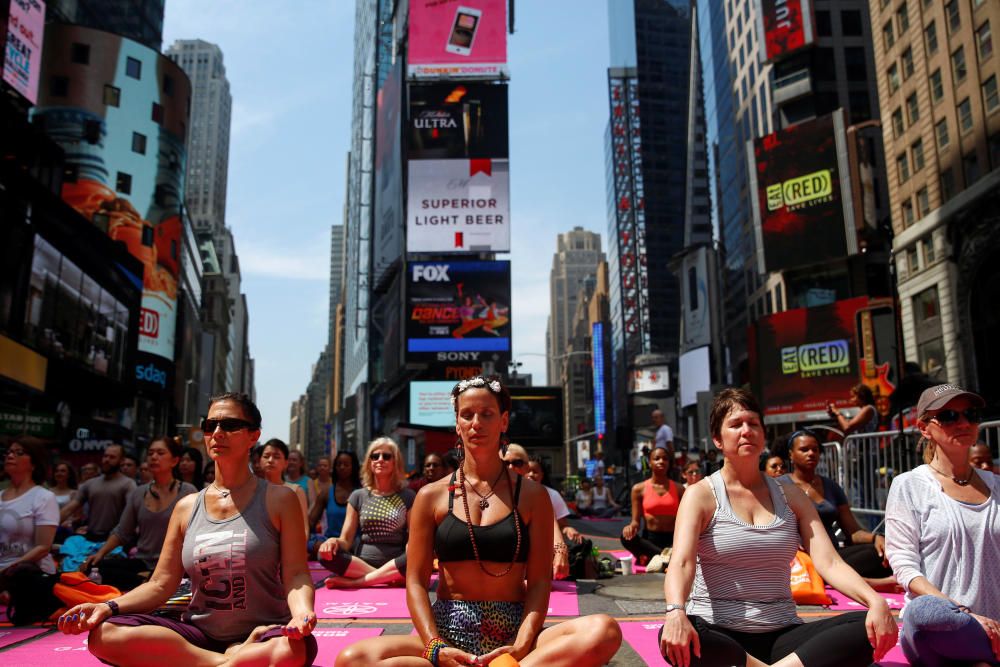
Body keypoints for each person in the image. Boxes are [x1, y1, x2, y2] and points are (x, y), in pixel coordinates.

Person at [335, 375, 622, 666]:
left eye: (487, 414)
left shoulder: (533, 495)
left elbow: (538, 583)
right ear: (457, 424)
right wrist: (436, 648)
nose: (476, 423)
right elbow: (416, 584)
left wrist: (521, 644)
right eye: (467, 415)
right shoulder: (429, 496)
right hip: (448, 631)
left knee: (604, 630)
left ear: (504, 421)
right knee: (351, 659)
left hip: (513, 633)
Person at [57, 391, 317, 666]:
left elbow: (297, 574)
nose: (217, 432)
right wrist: (107, 606)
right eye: (210, 425)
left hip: (265, 632)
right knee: (104, 635)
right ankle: (226, 662)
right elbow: (160, 584)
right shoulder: (186, 507)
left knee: (294, 650)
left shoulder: (280, 499)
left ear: (253, 436)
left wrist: (302, 613)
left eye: (229, 425)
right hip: (198, 636)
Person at [660, 388, 897, 667]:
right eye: (735, 425)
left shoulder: (791, 494)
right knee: (677, 634)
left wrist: (875, 601)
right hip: (721, 634)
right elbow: (682, 562)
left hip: (784, 635)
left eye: (753, 424)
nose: (746, 431)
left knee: (863, 625)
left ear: (764, 435)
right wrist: (675, 610)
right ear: (717, 440)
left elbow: (829, 561)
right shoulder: (700, 495)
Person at [885, 384, 1000, 667]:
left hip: (994, 624)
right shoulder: (909, 485)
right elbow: (905, 567)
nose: (963, 423)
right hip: (942, 628)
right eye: (949, 416)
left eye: (970, 415)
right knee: (925, 611)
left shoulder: (997, 486)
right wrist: (964, 614)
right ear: (924, 428)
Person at [778, 429, 895, 588]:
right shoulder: (779, 486)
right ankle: (865, 582)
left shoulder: (831, 487)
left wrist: (877, 539)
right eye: (804, 449)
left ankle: (842, 579)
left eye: (815, 449)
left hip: (832, 556)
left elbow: (853, 532)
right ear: (791, 454)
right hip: (800, 558)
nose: (811, 453)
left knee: (883, 554)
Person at [80, 436, 197, 590]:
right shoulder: (138, 493)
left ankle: (147, 581)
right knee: (95, 567)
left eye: (160, 453)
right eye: (150, 453)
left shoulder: (189, 492)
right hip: (142, 562)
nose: (154, 457)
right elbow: (122, 532)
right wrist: (100, 554)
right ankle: (145, 580)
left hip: (175, 565)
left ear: (174, 461)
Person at [317, 437, 415, 588]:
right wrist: (333, 541)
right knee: (324, 554)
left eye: (386, 456)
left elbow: (414, 537)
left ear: (396, 462)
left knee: (417, 552)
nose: (380, 460)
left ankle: (358, 582)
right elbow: (346, 540)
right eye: (375, 456)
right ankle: (385, 578)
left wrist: (412, 548)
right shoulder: (358, 496)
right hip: (363, 563)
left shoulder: (408, 496)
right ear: (369, 462)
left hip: (396, 563)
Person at [0, 439, 59, 596]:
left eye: (19, 453)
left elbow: (43, 548)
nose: (10, 456)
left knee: (22, 576)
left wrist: (6, 570)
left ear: (33, 464)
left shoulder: (43, 497)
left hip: (27, 572)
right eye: (9, 452)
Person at [60, 443, 136, 544]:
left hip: (115, 541)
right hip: (91, 537)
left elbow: (132, 513)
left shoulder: (128, 484)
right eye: (105, 456)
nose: (107, 460)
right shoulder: (90, 483)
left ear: (121, 461)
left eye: (112, 457)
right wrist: (50, 524)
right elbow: (69, 508)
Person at [621, 446, 681, 572]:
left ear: (669, 463)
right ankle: (666, 558)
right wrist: (630, 527)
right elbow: (635, 521)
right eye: (656, 458)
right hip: (650, 541)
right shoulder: (638, 489)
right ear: (649, 462)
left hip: (673, 540)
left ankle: (659, 558)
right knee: (625, 537)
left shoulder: (680, 489)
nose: (661, 461)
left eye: (665, 459)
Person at [309, 451, 361, 559]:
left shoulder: (363, 493)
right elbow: (311, 522)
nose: (342, 467)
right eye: (339, 464)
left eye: (346, 464)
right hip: (329, 543)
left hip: (355, 546)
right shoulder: (326, 492)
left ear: (353, 467)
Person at [259, 439, 310, 542]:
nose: (270, 460)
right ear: (260, 460)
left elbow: (304, 529)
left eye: (276, 457)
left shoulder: (295, 491)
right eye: (266, 456)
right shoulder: (252, 490)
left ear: (286, 463)